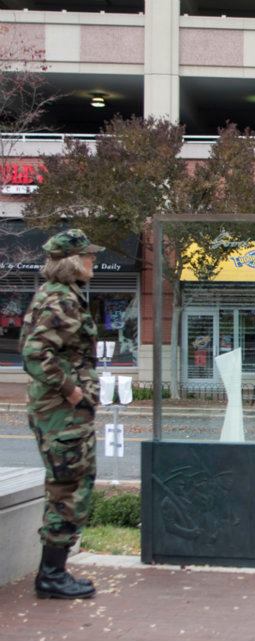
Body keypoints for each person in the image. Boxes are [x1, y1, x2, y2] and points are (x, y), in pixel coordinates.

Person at [19, 229, 104, 600]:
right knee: (69, 489)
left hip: (58, 413)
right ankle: (51, 575)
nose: (93, 261)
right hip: (61, 415)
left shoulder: (58, 296)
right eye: (88, 256)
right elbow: (35, 353)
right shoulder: (61, 300)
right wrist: (73, 392)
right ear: (73, 261)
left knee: (67, 485)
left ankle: (53, 571)